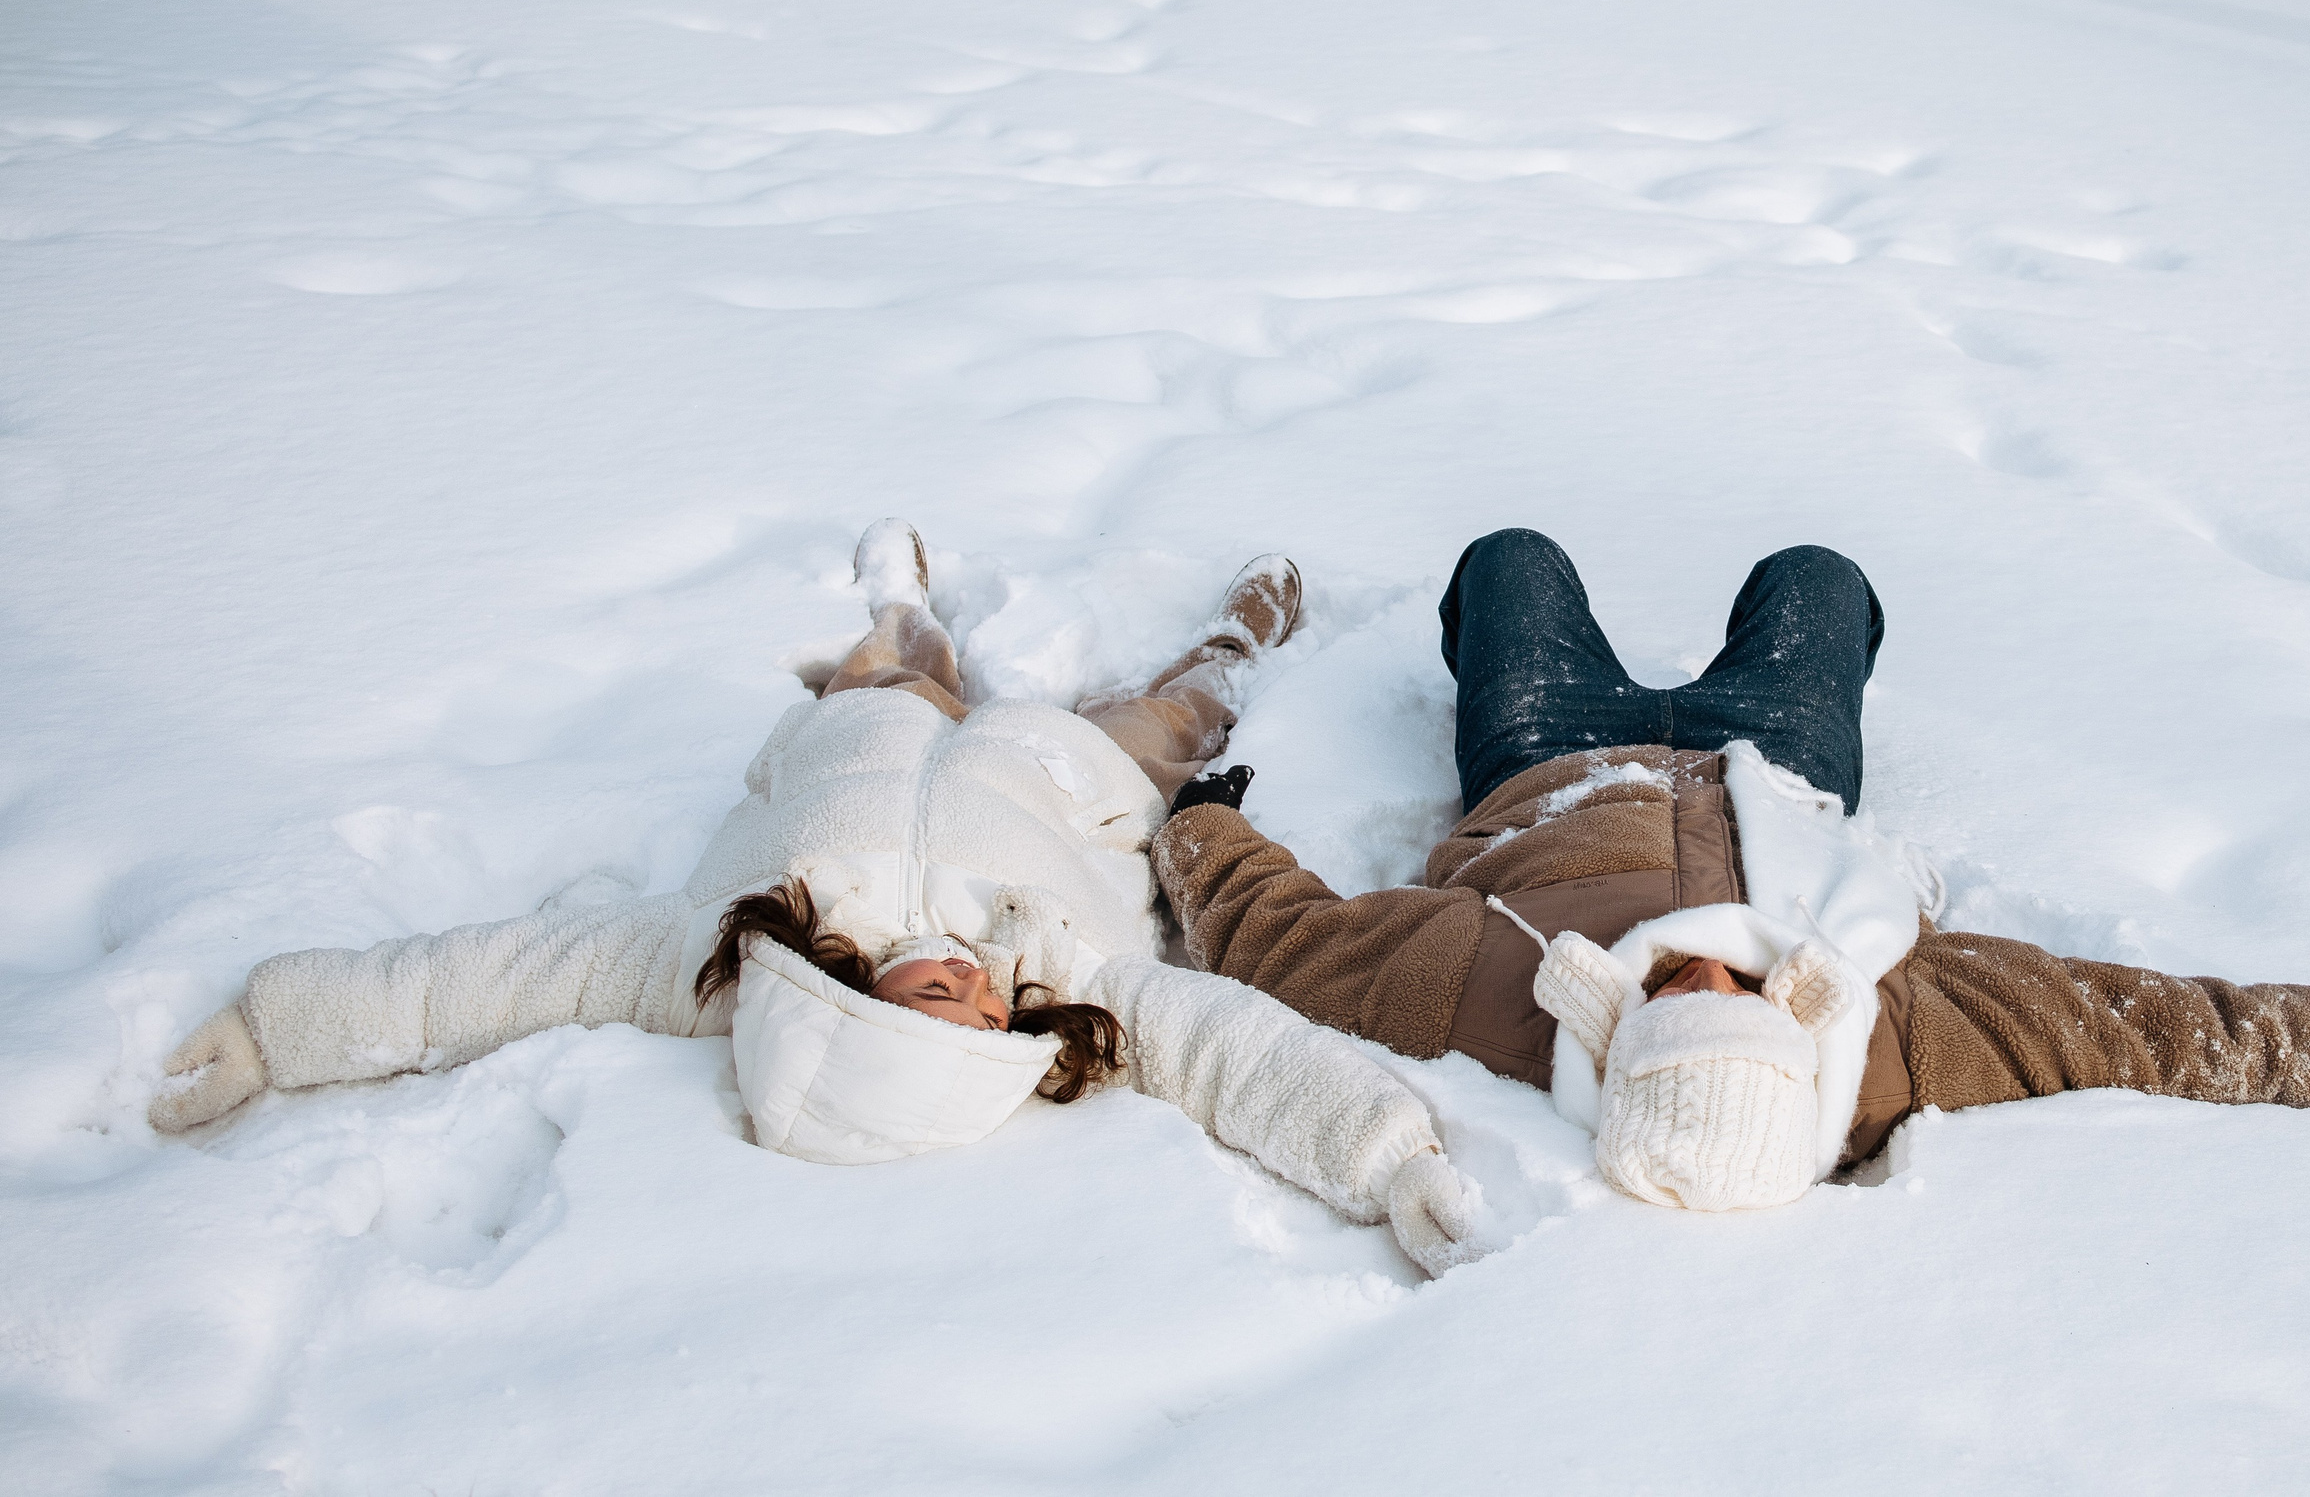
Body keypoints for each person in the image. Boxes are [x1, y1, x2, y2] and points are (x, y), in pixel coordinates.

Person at [147, 521, 1488, 1276]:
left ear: (850, 997)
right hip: (1070, 778)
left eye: (930, 1006)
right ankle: (1245, 626)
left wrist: (278, 1027)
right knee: (1181, 711)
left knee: (897, 663)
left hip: (869, 738)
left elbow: (496, 978)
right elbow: (1226, 1054)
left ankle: (902, 598)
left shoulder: (725, 956)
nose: (969, 993)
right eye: (981, 1027)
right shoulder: (1052, 979)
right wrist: (1390, 1159)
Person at [1152, 528, 2310, 1213]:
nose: (1699, 966)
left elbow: (1282, 944)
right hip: (1775, 763)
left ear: (1616, 1036)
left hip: (1550, 756)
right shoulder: (1882, 1034)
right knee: (1819, 575)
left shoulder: (1486, 1002)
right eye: (1727, 996)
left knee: (1508, 562)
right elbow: (2111, 1029)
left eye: (1670, 996)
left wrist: (1207, 826)